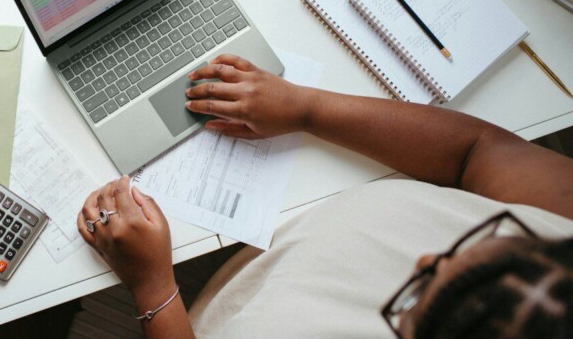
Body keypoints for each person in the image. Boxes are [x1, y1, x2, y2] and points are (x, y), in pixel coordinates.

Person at [76, 54, 573, 339]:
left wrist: (152, 287)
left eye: (417, 298)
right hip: (270, 243)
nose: (424, 259)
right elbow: (478, 151)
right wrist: (306, 108)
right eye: (497, 233)